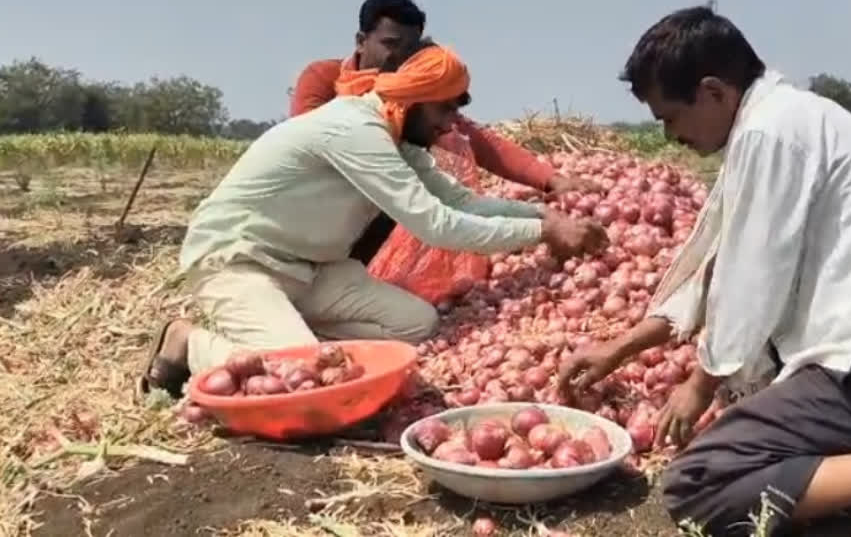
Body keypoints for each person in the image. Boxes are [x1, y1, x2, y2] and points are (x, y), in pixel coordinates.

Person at [558, 6, 851, 537]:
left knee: (698, 485)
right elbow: (716, 270)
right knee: (771, 491)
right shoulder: (782, 121)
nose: (667, 136)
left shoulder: (771, 133)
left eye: (669, 117)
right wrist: (620, 349)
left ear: (712, 92)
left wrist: (701, 384)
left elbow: (749, 282)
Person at [138, 42, 606, 399]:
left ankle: (285, 333)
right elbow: (437, 225)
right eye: (445, 109)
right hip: (239, 260)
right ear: (416, 99)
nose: (450, 125)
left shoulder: (397, 137)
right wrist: (542, 232)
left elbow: (461, 201)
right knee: (303, 377)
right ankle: (188, 342)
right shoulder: (356, 130)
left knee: (416, 324)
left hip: (311, 269)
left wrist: (542, 212)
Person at [290, 0, 596, 264]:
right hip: (312, 211)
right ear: (360, 41)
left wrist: (550, 180)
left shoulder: (416, 98)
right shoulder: (323, 78)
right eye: (390, 44)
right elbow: (314, 152)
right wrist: (541, 228)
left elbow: (477, 140)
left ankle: (350, 272)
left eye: (410, 51)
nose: (398, 58)